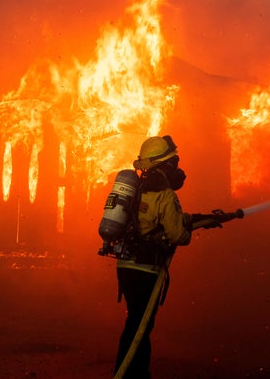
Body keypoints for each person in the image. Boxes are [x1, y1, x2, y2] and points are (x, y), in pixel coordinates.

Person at [113, 135, 191, 379]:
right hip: (146, 270)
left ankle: (134, 373)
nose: (177, 168)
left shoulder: (135, 189)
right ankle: (128, 374)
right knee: (139, 328)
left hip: (125, 266)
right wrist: (185, 227)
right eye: (173, 163)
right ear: (165, 166)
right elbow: (179, 235)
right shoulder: (165, 195)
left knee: (136, 324)